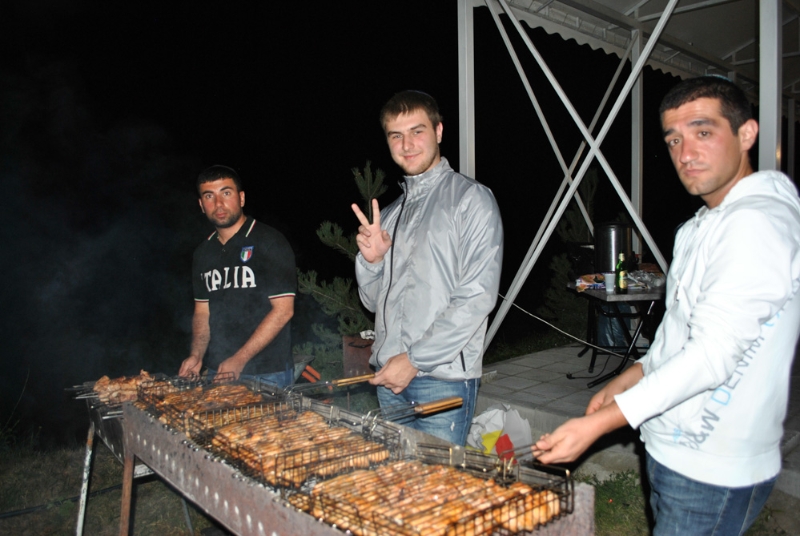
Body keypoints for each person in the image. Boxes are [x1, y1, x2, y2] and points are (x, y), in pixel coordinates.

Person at [533, 76, 800, 535]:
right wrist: (632, 375)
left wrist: (601, 425)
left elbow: (712, 355)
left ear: (746, 133)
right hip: (675, 449)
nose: (685, 153)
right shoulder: (701, 225)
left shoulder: (756, 224)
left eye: (703, 132)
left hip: (711, 464)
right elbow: (681, 336)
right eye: (674, 139)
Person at [351, 90, 504, 446]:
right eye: (396, 135)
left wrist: (414, 360)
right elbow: (373, 303)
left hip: (442, 377)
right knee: (402, 475)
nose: (407, 145)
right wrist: (372, 263)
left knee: (438, 479)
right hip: (390, 375)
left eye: (417, 131)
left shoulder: (471, 200)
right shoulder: (391, 214)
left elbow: (477, 297)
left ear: (438, 131)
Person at [179, 165, 296, 388]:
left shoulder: (269, 242)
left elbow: (283, 310)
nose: (218, 204)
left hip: (268, 373)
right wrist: (196, 355)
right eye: (209, 196)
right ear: (201, 205)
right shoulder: (203, 253)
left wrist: (240, 359)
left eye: (226, 193)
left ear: (241, 198)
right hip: (218, 370)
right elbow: (202, 313)